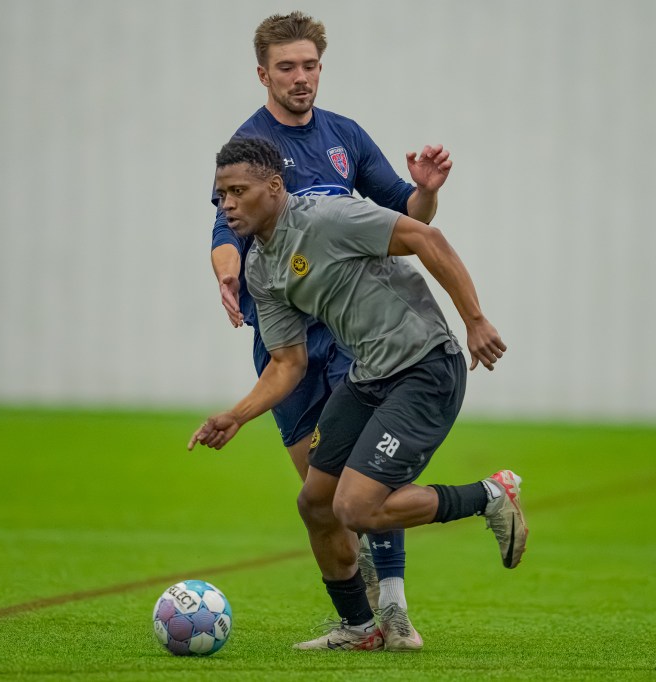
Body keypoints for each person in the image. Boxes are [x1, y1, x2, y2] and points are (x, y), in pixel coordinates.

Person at [191, 137, 527, 651]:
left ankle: (491, 496)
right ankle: (359, 627)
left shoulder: (328, 218)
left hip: (425, 368)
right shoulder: (261, 267)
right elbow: (288, 363)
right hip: (370, 376)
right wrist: (237, 416)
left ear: (275, 187)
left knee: (357, 508)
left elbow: (427, 239)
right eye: (220, 196)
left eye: (239, 191)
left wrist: (475, 320)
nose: (228, 204)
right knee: (316, 503)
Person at [209, 11, 452, 650]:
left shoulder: (345, 135)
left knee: (362, 480)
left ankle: (393, 609)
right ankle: (360, 615)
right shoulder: (249, 146)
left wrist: (424, 191)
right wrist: (228, 269)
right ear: (263, 73)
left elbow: (407, 215)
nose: (300, 78)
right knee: (318, 498)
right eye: (286, 67)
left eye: (310, 65)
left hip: (350, 336)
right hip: (285, 339)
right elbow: (222, 229)